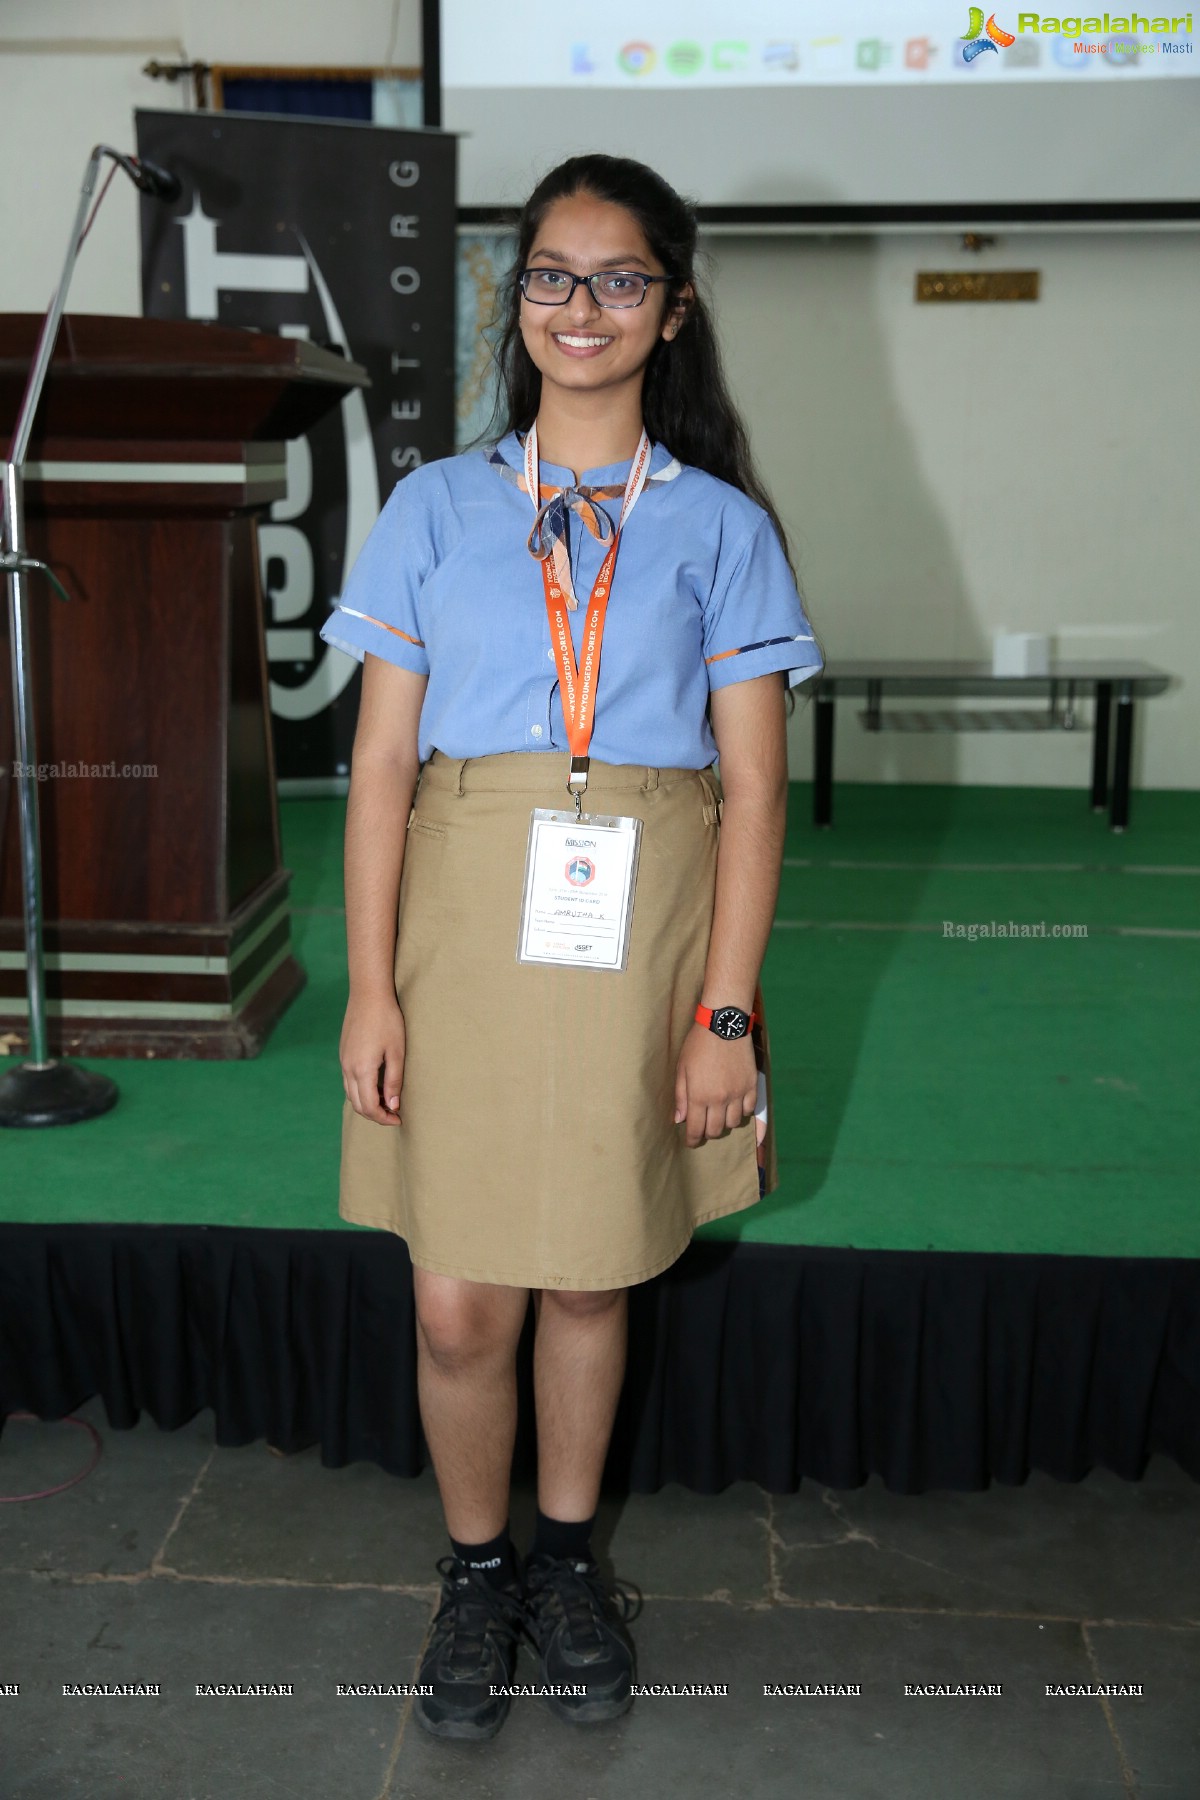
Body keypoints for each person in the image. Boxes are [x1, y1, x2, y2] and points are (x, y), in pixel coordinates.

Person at [319, 152, 824, 1742]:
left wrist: (725, 1014)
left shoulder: (725, 528)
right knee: (460, 1300)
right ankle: (476, 1575)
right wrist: (374, 982)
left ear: (673, 311)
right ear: (513, 299)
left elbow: (754, 789)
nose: (580, 306)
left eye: (618, 279)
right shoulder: (435, 505)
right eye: (550, 275)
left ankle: (562, 1563)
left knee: (595, 1279)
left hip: (646, 918)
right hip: (464, 907)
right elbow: (382, 769)